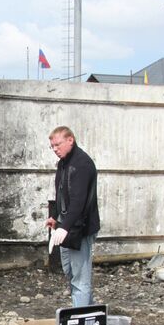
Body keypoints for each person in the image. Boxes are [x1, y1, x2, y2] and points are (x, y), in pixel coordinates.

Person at [45, 126, 100, 307]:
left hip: (80, 227)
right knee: (70, 272)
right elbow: (61, 194)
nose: (55, 149)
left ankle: (82, 323)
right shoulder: (64, 163)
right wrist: (55, 216)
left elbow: (79, 201)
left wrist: (64, 226)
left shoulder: (81, 164)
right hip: (66, 224)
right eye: (52, 146)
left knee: (80, 279)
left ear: (70, 140)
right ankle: (92, 315)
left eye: (57, 145)